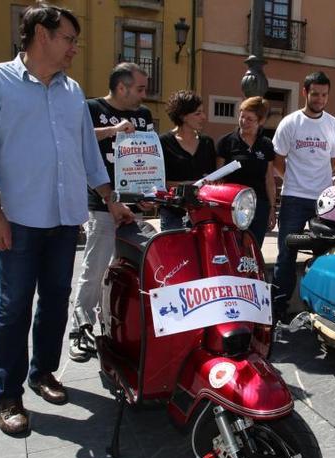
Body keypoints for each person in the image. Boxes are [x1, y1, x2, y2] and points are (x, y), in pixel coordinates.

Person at [0, 3, 133, 437]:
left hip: (64, 218)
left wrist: (110, 199)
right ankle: (8, 392)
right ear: (42, 35)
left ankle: (43, 373)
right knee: (14, 305)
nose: (74, 47)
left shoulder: (72, 91)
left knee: (56, 300)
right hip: (17, 218)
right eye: (69, 39)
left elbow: (87, 153)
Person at [68, 62, 154, 363]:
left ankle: (119, 325)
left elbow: (149, 156)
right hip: (101, 204)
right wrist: (114, 130)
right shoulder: (90, 107)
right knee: (95, 269)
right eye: (140, 89)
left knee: (128, 268)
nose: (145, 95)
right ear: (122, 87)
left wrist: (148, 195)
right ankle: (80, 329)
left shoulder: (144, 115)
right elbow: (77, 138)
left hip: (134, 205)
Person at [270, 71, 335, 323]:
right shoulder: (290, 123)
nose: (320, 99)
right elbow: (278, 158)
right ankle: (279, 309)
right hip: (293, 198)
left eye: (324, 95)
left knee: (325, 252)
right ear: (305, 93)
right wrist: (294, 178)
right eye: (315, 94)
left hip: (324, 200)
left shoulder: (333, 124)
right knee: (286, 252)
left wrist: (318, 180)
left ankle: (320, 308)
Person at [216, 96, 277, 244]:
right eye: (242, 116)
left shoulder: (266, 144)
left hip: (259, 206)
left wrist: (272, 208)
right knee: (232, 249)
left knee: (253, 250)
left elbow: (269, 179)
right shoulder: (226, 142)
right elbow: (218, 178)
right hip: (233, 207)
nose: (244, 122)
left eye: (250, 119)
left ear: (260, 121)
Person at [159, 90, 216, 230]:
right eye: (198, 113)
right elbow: (160, 182)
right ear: (183, 116)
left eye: (203, 112)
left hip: (202, 213)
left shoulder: (207, 142)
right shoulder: (162, 142)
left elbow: (212, 177)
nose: (204, 117)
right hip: (173, 214)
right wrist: (190, 186)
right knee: (175, 252)